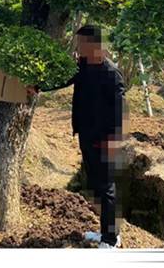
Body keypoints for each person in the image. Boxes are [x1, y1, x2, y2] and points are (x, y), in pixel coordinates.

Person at [27, 24, 125, 248]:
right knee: (96, 185)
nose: (77, 47)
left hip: (104, 139)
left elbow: (119, 112)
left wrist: (113, 140)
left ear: (94, 45)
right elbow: (63, 80)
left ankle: (111, 239)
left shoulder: (111, 73)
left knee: (106, 187)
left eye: (81, 44)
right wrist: (39, 86)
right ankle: (105, 233)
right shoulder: (82, 66)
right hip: (87, 133)